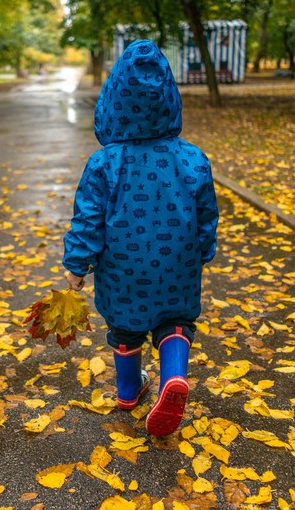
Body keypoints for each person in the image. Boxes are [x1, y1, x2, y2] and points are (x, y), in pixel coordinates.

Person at [63, 39, 218, 437]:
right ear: (169, 99)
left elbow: (88, 218)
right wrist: (203, 250)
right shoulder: (193, 158)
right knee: (176, 322)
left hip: (122, 269)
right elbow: (206, 214)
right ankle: (172, 378)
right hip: (177, 264)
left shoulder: (103, 163)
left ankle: (130, 390)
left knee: (125, 327)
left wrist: (76, 264)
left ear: (112, 101)